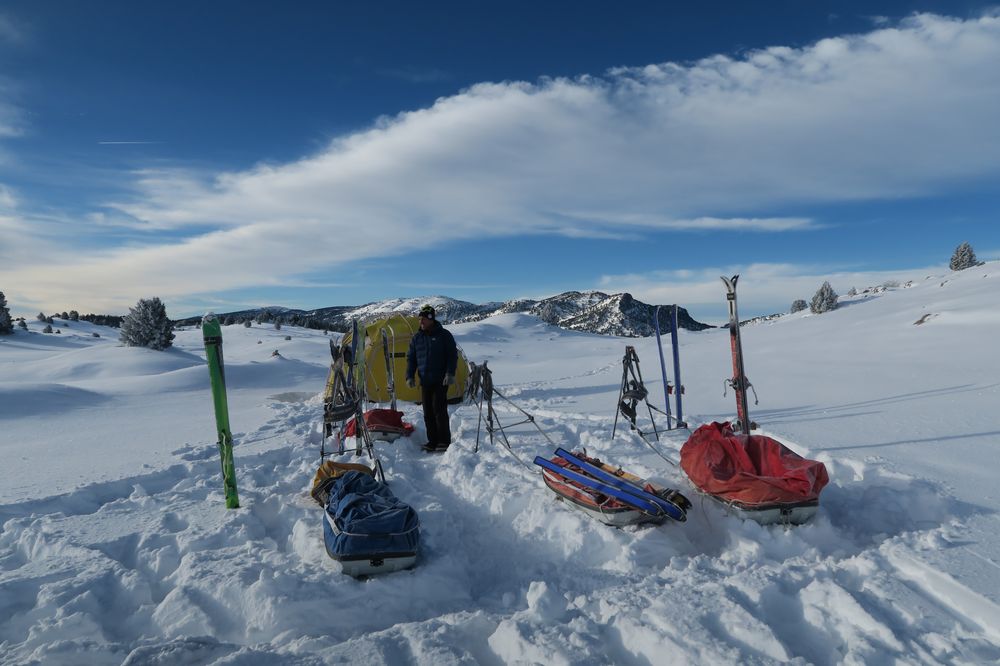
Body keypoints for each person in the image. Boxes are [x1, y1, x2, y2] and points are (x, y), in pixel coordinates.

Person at [405, 304, 458, 452]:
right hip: (425, 380)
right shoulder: (417, 338)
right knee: (427, 412)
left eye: (423, 319)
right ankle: (432, 440)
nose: (420, 322)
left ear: (431, 319)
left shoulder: (444, 335)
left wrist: (450, 373)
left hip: (441, 380)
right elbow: (411, 359)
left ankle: (444, 441)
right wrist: (409, 375)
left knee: (439, 410)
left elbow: (452, 356)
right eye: (419, 319)